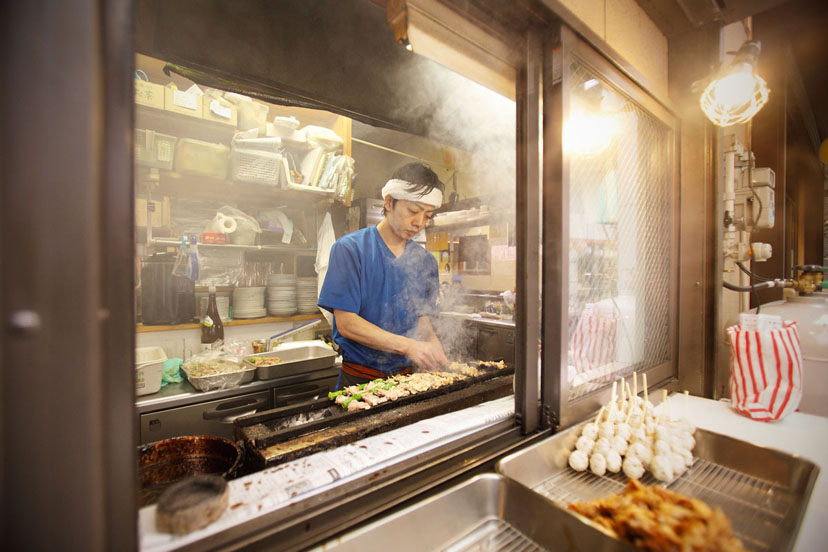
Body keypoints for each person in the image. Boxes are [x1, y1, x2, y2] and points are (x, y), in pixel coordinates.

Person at [318, 163, 450, 389]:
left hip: (410, 381)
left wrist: (431, 342)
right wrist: (409, 346)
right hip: (359, 381)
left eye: (427, 216)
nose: (419, 223)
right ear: (389, 202)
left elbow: (421, 319)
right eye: (413, 211)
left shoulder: (426, 262)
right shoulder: (350, 250)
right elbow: (347, 323)